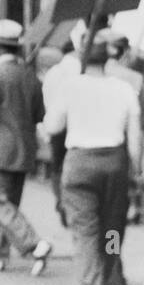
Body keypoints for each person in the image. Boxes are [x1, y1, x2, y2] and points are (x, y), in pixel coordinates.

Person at [42, 28, 142, 285]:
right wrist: (134, 171)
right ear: (108, 60)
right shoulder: (124, 90)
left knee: (85, 232)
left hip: (80, 165)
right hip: (114, 164)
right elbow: (134, 142)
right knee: (111, 229)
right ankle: (110, 278)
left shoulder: (70, 87)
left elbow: (53, 127)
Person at [0, 19, 53, 275]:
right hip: (25, 150)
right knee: (7, 205)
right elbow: (39, 114)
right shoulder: (30, 76)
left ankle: (34, 244)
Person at [40, 27, 85, 227]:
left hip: (57, 128)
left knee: (58, 167)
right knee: (74, 165)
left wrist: (47, 130)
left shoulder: (53, 73)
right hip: (78, 126)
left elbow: (47, 102)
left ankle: (62, 201)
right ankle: (73, 203)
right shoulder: (81, 70)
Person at [104, 28, 144, 226]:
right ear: (125, 52)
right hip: (128, 132)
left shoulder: (95, 74)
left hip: (103, 136)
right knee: (131, 169)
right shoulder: (136, 79)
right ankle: (132, 207)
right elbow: (143, 115)